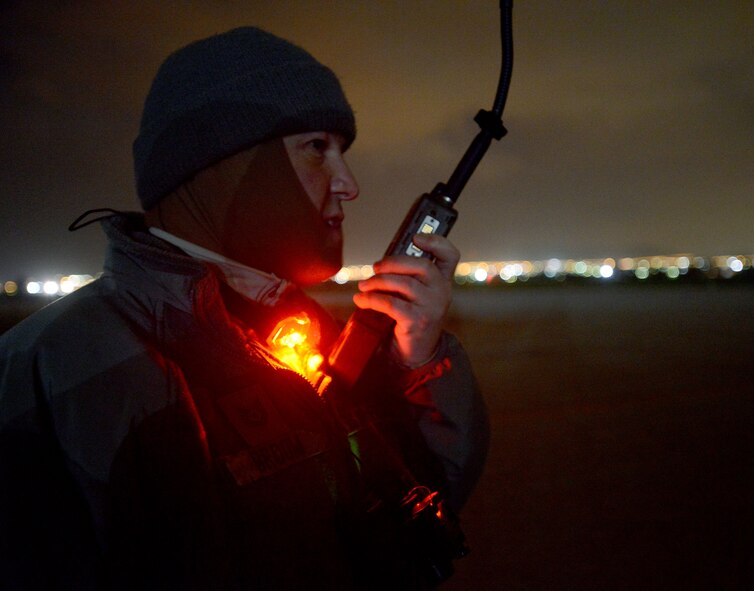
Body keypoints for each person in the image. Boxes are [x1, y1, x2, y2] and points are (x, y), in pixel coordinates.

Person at [0, 27, 488, 590]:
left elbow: (414, 509)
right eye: (316, 148)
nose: (348, 184)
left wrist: (418, 359)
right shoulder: (56, 367)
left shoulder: (305, 332)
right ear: (225, 165)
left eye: (343, 153)